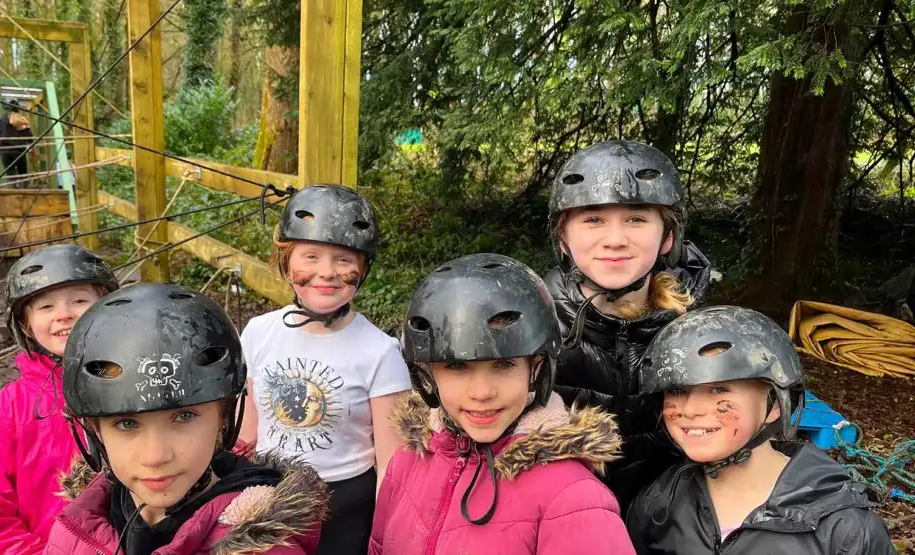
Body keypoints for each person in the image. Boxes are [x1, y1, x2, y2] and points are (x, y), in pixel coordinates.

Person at [370, 253, 635, 554]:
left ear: (536, 368)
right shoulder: (407, 463)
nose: (482, 392)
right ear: (428, 374)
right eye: (457, 367)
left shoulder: (574, 497)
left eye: (504, 365)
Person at [45, 283, 326, 554]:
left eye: (184, 416)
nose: (155, 457)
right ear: (95, 432)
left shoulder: (264, 549)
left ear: (224, 419)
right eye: (127, 424)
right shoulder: (76, 527)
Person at [626, 306, 896, 554]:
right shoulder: (657, 506)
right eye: (677, 390)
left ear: (776, 405)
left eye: (719, 389)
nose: (691, 409)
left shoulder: (845, 530)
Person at [238, 185, 411, 555]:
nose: (327, 272)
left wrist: (387, 536)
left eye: (344, 259)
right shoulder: (259, 333)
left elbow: (392, 462)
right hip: (271, 492)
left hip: (346, 503)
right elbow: (249, 432)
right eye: (311, 256)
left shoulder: (380, 351)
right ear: (286, 261)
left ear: (363, 267)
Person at [545, 139, 714, 509]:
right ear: (563, 237)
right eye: (593, 220)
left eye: (636, 219)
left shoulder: (698, 328)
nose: (615, 240)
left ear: (668, 236)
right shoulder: (533, 323)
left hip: (668, 519)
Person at [0, 244, 118, 554]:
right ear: (25, 324)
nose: (64, 314)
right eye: (46, 307)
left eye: (80, 300)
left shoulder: (139, 384)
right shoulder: (2, 414)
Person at [0, 99, 34, 185]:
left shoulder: (5, 121)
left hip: (15, 151)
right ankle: (20, 193)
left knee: (15, 175)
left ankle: (20, 192)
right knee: (18, 175)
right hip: (11, 151)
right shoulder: (4, 121)